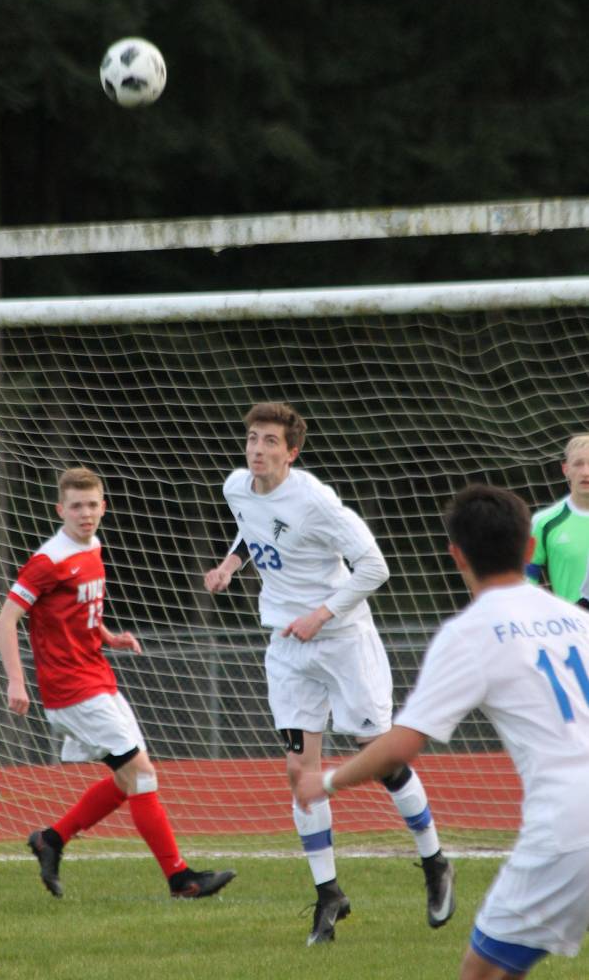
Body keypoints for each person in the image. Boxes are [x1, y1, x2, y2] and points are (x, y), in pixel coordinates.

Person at [296, 484, 589, 978]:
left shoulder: (470, 632)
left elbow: (400, 746)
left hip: (569, 823)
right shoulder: (576, 620)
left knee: (482, 973)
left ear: (456, 555)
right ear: (531, 548)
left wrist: (323, 782)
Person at [204, 402, 453, 945]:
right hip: (288, 649)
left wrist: (321, 614)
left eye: (271, 441)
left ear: (292, 452)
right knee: (300, 774)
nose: (258, 449)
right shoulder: (235, 487)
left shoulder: (316, 500)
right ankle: (328, 894)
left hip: (342, 641)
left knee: (380, 756)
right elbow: (253, 531)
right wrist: (229, 565)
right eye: (252, 438)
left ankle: (435, 861)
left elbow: (374, 567)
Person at [0, 466, 235, 901]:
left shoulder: (94, 546)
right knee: (142, 774)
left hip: (97, 674)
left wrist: (108, 636)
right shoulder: (49, 560)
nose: (84, 514)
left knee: (130, 781)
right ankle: (181, 879)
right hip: (70, 687)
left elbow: (77, 611)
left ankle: (52, 839)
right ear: (60, 509)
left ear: (103, 507)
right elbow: (6, 619)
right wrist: (16, 681)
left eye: (91, 505)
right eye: (75, 506)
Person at [526, 433, 589, 602]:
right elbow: (526, 579)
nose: (586, 472)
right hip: (574, 627)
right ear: (565, 469)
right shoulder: (544, 523)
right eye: (578, 464)